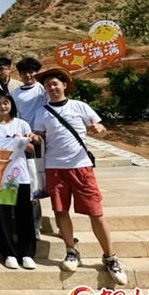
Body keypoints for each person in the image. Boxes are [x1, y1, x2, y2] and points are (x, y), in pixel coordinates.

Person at [33, 67, 127, 284]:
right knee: (60, 210)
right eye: (47, 85)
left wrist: (100, 129)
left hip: (81, 166)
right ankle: (71, 251)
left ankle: (110, 257)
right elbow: (41, 137)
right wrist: (32, 137)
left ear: (64, 85)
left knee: (95, 212)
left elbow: (100, 127)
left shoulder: (79, 106)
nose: (51, 88)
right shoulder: (42, 112)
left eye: (55, 84)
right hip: (54, 167)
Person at [0, 92, 38, 270]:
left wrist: (20, 141)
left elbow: (31, 148)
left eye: (6, 103)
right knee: (2, 215)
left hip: (20, 175)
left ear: (11, 104)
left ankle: (27, 253)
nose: (3, 106)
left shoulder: (21, 123)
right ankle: (9, 253)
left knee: (24, 214)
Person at [12, 57, 49, 239]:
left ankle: (36, 225)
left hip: (39, 139)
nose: (28, 75)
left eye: (31, 71)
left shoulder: (43, 89)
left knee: (36, 183)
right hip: (21, 140)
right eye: (24, 72)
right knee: (22, 182)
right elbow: (15, 115)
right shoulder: (15, 93)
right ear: (20, 74)